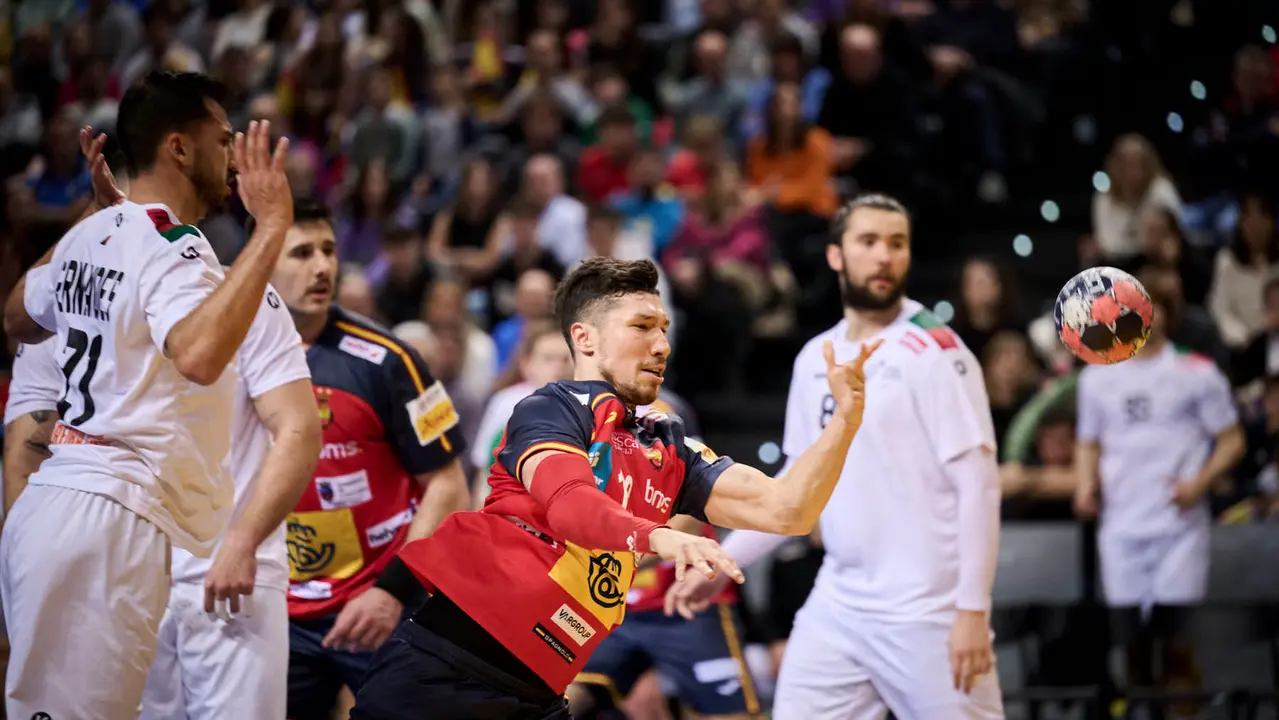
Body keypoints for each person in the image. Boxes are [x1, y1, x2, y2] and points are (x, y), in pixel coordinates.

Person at [351, 255, 879, 719]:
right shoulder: (552, 407)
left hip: (537, 691)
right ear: (585, 338)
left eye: (664, 328)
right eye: (642, 327)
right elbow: (569, 504)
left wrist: (844, 422)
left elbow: (788, 511)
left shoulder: (670, 446)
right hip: (446, 667)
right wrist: (660, 536)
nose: (662, 344)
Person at [0, 70, 294, 718]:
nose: (233, 160)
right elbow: (199, 355)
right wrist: (272, 227)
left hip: (65, 504)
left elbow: (17, 316)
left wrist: (98, 222)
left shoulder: (91, 233)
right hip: (109, 511)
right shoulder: (173, 243)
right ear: (179, 148)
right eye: (223, 140)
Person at [668, 193, 1005, 719]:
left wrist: (972, 609)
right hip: (840, 603)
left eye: (897, 243)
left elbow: (979, 486)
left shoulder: (937, 352)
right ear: (835, 255)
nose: (884, 255)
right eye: (868, 241)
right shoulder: (814, 358)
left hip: (928, 611)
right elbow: (794, 488)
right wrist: (727, 563)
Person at [254, 198, 472, 719]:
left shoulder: (391, 360)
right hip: (274, 609)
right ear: (260, 259)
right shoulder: (232, 355)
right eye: (302, 253)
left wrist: (391, 592)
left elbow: (449, 486)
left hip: (378, 606)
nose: (323, 266)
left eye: (329, 250)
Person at [1074, 284, 1245, 704]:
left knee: (1177, 646)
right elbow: (1088, 442)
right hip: (1120, 529)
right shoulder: (1097, 375)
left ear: (1167, 313)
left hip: (1179, 529)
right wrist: (1085, 484)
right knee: (1132, 649)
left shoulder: (1196, 371)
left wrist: (1199, 483)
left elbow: (1232, 440)